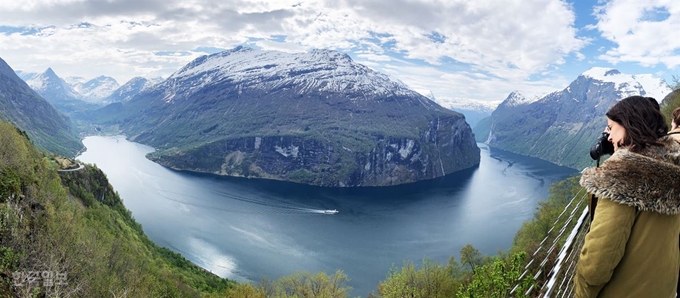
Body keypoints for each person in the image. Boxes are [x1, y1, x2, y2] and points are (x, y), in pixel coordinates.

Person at [575, 96, 680, 297]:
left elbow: (596, 266)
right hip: (663, 287)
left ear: (629, 126)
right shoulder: (672, 165)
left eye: (611, 128)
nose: (609, 137)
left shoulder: (621, 178)